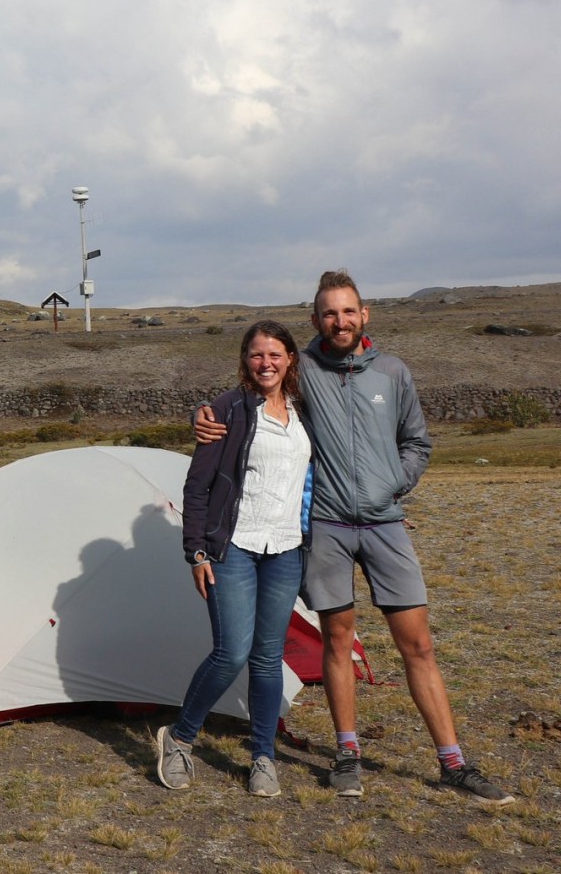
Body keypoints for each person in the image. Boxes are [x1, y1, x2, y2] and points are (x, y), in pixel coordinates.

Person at [194, 270, 512, 805]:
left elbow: (418, 442)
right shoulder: (304, 371)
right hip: (329, 528)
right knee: (337, 642)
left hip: (386, 525)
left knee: (419, 645)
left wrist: (393, 483)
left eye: (348, 312)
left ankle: (454, 762)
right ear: (315, 321)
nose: (339, 321)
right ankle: (347, 755)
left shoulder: (392, 371)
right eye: (328, 313)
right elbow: (249, 394)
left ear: (364, 316)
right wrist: (200, 415)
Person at [157, 320, 311, 798]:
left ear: (290, 360)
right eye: (256, 355)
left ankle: (262, 757)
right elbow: (196, 486)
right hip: (234, 548)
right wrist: (196, 552)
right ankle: (179, 739)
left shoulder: (307, 411)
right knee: (231, 653)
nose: (265, 363)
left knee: (268, 659)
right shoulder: (226, 409)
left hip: (286, 548)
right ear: (245, 360)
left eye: (275, 355)